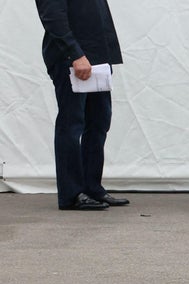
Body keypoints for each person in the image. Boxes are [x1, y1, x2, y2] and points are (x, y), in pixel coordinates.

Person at [36, 0, 127, 211]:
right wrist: (74, 54)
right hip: (73, 60)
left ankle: (92, 187)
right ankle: (72, 193)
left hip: (98, 58)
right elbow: (53, 17)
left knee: (99, 122)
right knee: (72, 122)